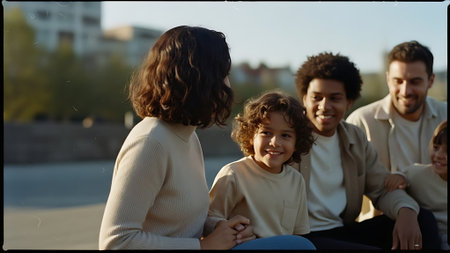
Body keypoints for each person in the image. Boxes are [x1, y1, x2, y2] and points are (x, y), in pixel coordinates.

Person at [98, 25, 255, 250]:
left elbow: (183, 221)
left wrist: (222, 228)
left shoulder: (188, 137)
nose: (228, 85)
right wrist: (204, 247)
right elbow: (116, 242)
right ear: (197, 79)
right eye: (222, 75)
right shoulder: (151, 143)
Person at [292, 52, 441, 250]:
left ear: (349, 102)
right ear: (304, 98)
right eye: (316, 98)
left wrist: (406, 210)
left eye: (335, 98)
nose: (324, 106)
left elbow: (380, 188)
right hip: (302, 237)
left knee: (423, 219)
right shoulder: (288, 135)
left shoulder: (354, 138)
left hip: (342, 230)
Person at [346, 41, 447, 221]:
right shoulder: (361, 121)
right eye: (398, 81)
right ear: (387, 79)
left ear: (431, 81)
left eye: (415, 82)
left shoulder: (445, 115)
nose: (405, 90)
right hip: (381, 222)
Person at [206, 91, 316, 250]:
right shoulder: (233, 174)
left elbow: (297, 233)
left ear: (296, 143)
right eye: (266, 132)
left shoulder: (296, 180)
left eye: (285, 135)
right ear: (251, 135)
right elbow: (208, 220)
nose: (275, 142)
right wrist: (231, 228)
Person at [385, 120, 448, 250]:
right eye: (436, 148)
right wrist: (399, 177)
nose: (439, 156)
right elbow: (402, 176)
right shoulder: (418, 174)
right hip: (429, 239)